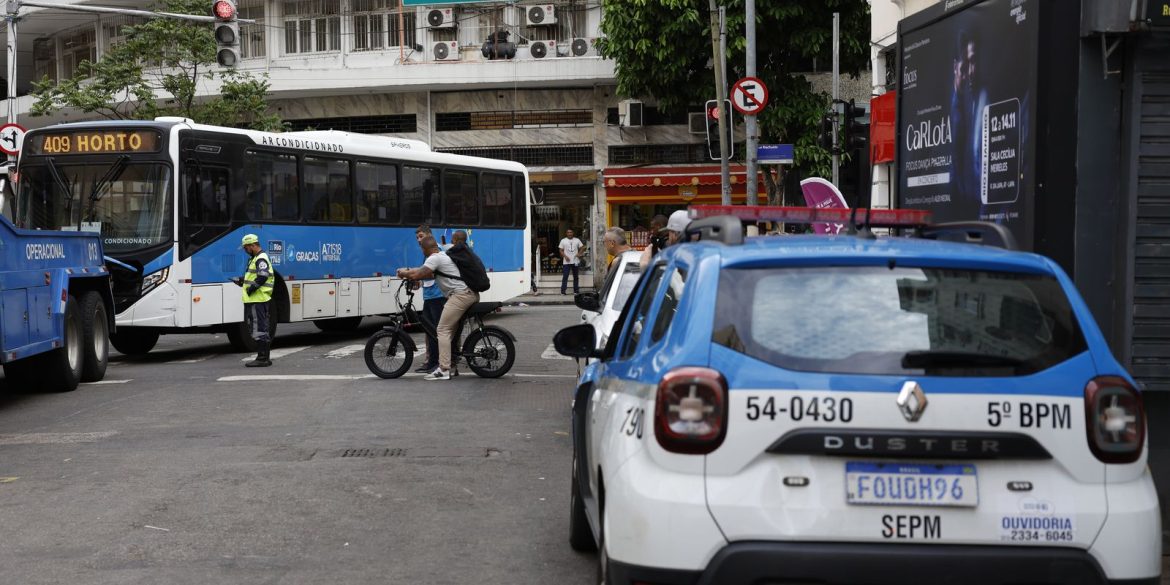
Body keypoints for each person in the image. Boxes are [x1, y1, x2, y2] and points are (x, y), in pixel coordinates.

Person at [397, 235, 479, 381]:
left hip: (461, 296)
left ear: (424, 249)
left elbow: (419, 273)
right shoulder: (441, 256)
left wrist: (404, 273)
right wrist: (410, 272)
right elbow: (425, 272)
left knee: (442, 329)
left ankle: (444, 369)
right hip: (466, 294)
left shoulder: (434, 258)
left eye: (421, 248)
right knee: (450, 332)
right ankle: (451, 365)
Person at [233, 234, 275, 367]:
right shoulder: (255, 258)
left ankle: (262, 358)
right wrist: (242, 281)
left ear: (252, 246)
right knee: (260, 327)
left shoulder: (260, 258)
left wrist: (251, 288)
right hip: (256, 299)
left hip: (258, 299)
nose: (245, 250)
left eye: (246, 248)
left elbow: (262, 277)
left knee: (259, 327)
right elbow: (256, 276)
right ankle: (264, 357)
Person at [414, 225, 447, 374]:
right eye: (417, 237)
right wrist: (418, 280)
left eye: (421, 236)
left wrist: (412, 275)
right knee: (429, 331)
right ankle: (431, 361)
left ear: (429, 236)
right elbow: (426, 271)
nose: (418, 240)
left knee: (435, 331)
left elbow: (433, 272)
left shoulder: (436, 251)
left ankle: (437, 363)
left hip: (437, 296)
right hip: (429, 296)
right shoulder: (426, 252)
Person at [559, 228, 584, 295]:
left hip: (575, 261)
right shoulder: (563, 241)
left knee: (575, 277)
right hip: (566, 262)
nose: (570, 233)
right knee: (565, 276)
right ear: (566, 233)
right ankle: (563, 291)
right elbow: (561, 250)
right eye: (568, 232)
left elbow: (582, 247)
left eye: (571, 232)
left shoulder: (577, 240)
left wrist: (579, 253)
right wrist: (565, 256)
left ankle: (576, 291)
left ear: (573, 233)